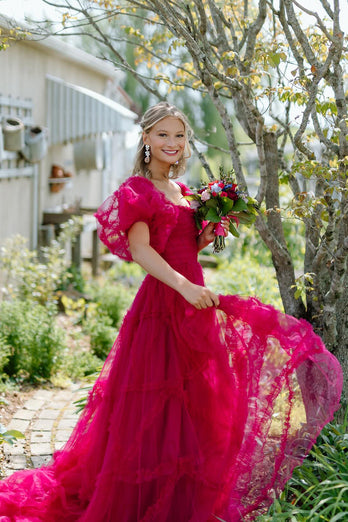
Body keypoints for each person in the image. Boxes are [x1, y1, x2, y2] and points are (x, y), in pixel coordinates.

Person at [0, 102, 342, 521]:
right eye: (163, 135)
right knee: (155, 401)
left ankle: (183, 492)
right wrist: (183, 286)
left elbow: (185, 248)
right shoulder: (137, 189)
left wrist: (213, 224)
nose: (172, 143)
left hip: (192, 301)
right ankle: (143, 495)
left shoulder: (182, 192)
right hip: (164, 303)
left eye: (179, 136)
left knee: (196, 399)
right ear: (146, 138)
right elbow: (143, 250)